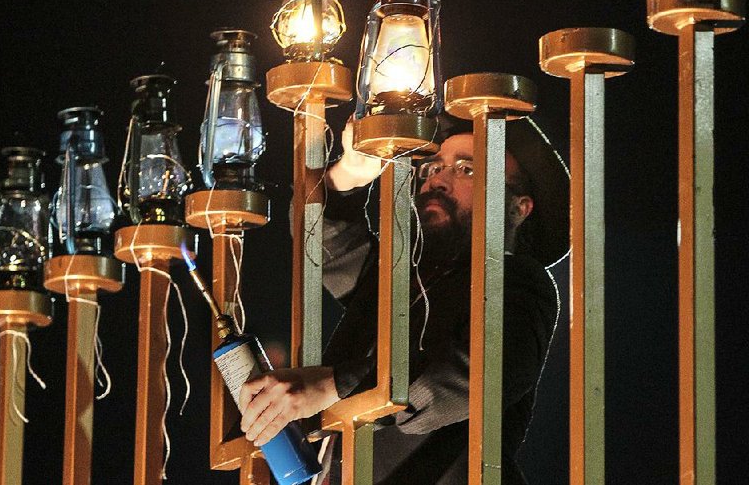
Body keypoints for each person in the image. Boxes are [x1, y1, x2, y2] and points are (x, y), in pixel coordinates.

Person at [239, 115, 569, 484]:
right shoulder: (401, 278)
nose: (437, 181)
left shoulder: (522, 282)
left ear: (518, 207)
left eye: (467, 170)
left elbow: (470, 376)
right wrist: (350, 172)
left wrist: (331, 386)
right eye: (434, 166)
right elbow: (323, 244)